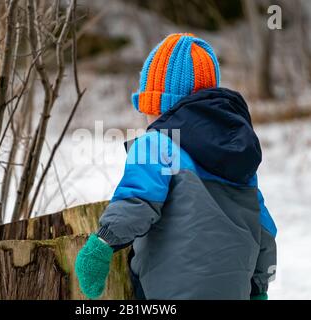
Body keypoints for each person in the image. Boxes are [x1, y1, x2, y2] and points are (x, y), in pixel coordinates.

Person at [75, 33, 277, 300]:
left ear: (161, 105)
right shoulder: (239, 157)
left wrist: (101, 244)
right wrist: (259, 289)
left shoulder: (156, 145)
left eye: (147, 106)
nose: (145, 116)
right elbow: (264, 230)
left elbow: (136, 202)